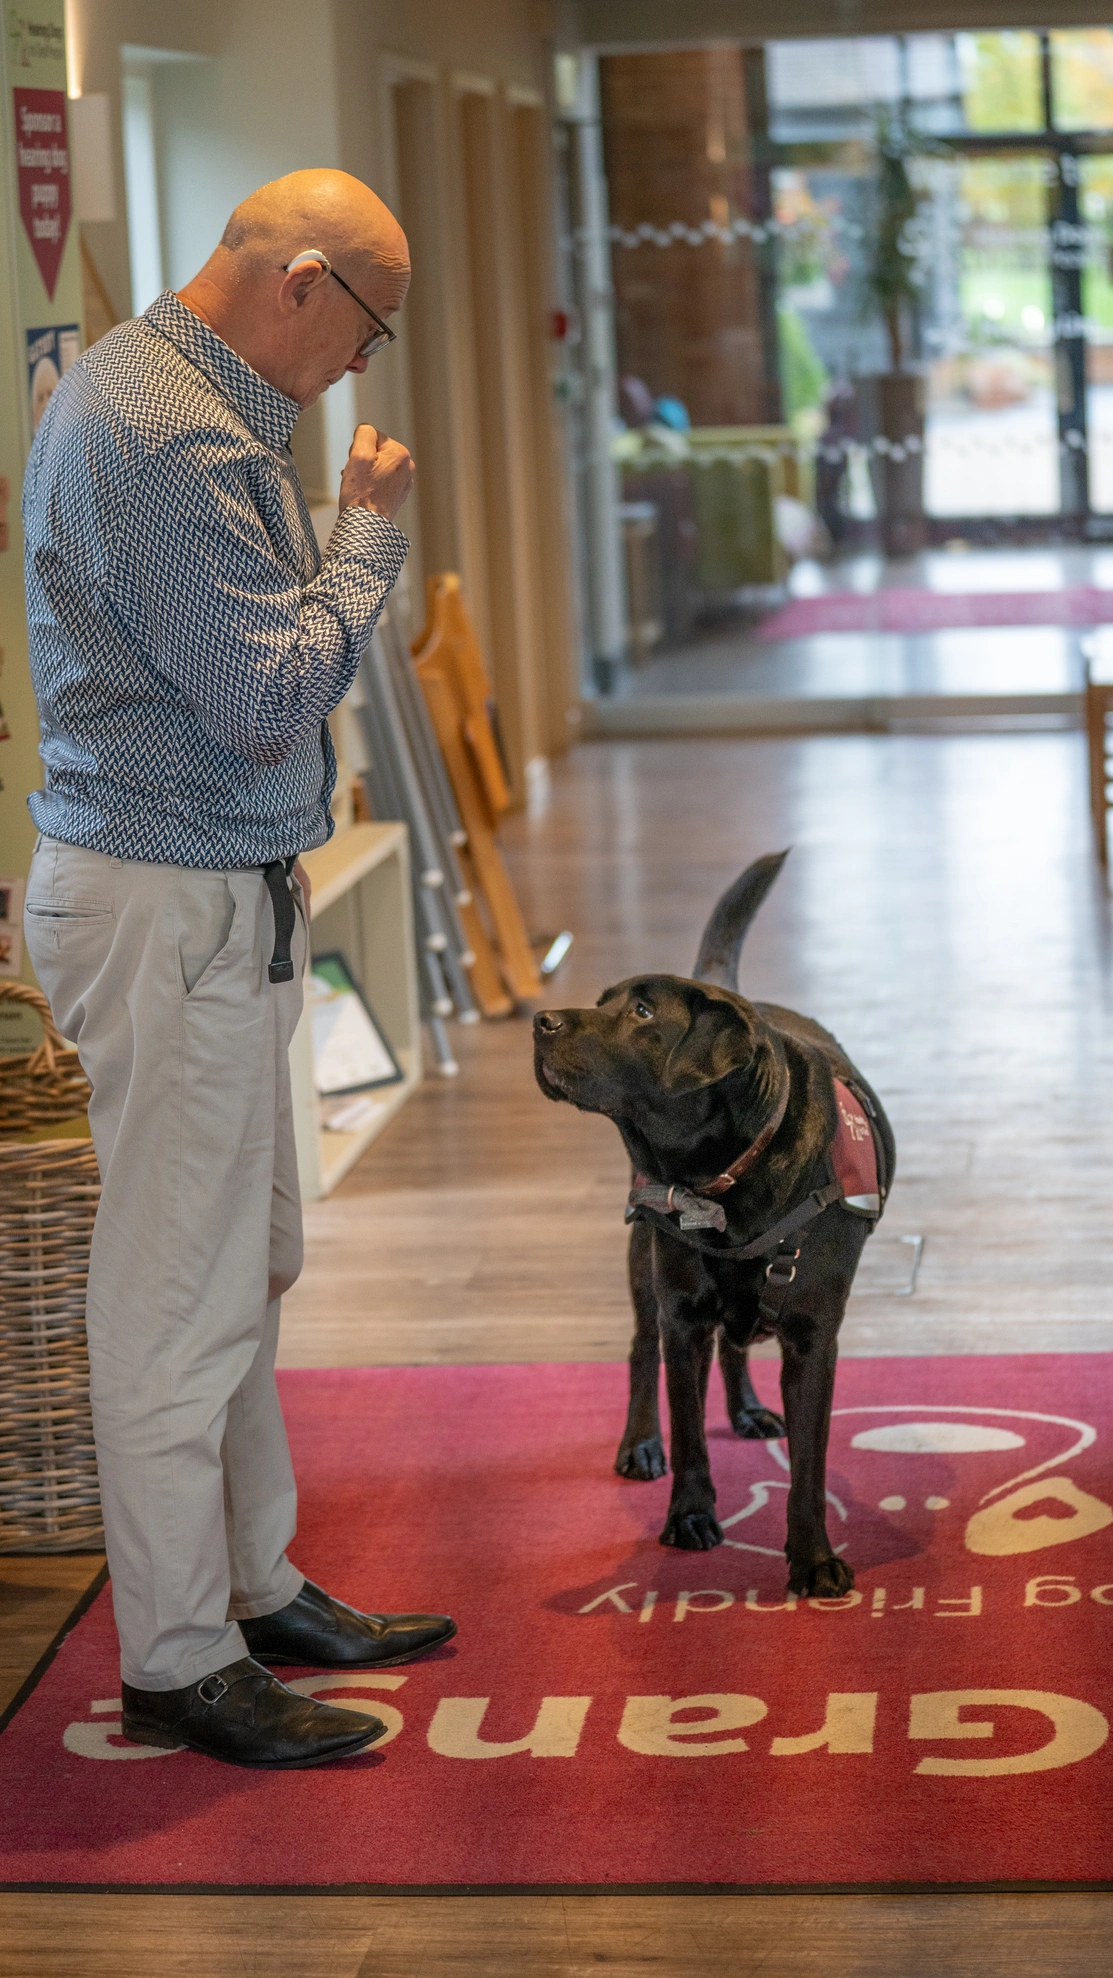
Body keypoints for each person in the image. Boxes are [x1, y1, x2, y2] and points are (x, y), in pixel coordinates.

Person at [22, 169, 455, 1770]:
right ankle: (179, 1657)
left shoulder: (196, 399)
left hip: (213, 896)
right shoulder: (160, 431)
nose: (364, 361)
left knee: (242, 1265)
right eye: (370, 324)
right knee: (170, 1300)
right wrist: (368, 542)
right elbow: (267, 688)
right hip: (163, 907)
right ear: (299, 279)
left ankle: (256, 1585)